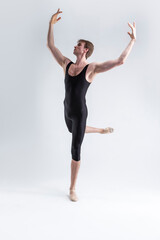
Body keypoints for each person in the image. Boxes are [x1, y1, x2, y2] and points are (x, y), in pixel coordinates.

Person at [47, 8, 136, 201]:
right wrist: (50, 24)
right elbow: (50, 45)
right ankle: (101, 130)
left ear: (85, 49)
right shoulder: (66, 64)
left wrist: (132, 40)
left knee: (75, 148)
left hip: (79, 112)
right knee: (72, 130)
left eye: (78, 45)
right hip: (67, 111)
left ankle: (72, 188)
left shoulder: (92, 68)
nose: (75, 46)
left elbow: (120, 61)